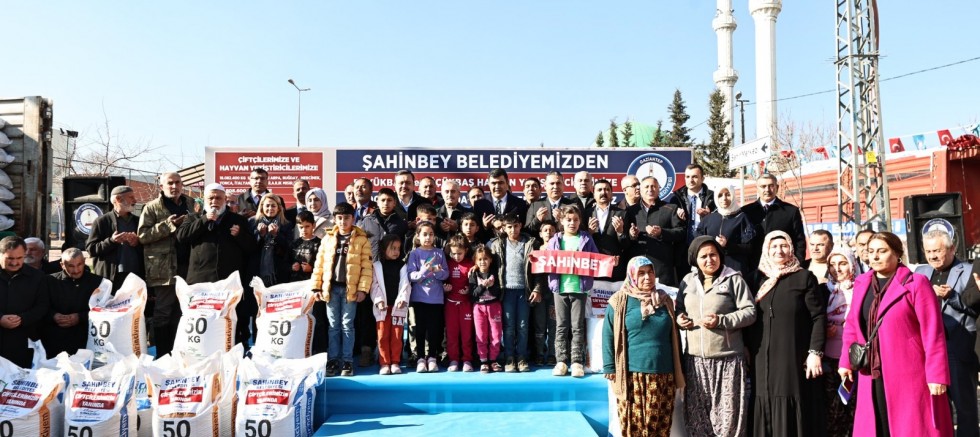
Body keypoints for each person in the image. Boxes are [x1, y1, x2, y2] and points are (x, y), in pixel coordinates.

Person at [839, 232, 953, 437]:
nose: (875, 256)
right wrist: (846, 362)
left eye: (882, 251)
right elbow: (852, 326)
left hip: (910, 373)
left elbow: (933, 332)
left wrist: (937, 375)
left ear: (897, 254)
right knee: (877, 427)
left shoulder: (916, 283)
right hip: (870, 372)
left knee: (909, 428)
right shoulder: (862, 283)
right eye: (871, 251)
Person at [748, 230, 827, 437]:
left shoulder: (804, 277)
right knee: (763, 396)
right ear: (766, 249)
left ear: (791, 248)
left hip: (792, 354)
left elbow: (818, 317)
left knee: (789, 395)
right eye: (774, 246)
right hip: (760, 356)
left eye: (784, 246)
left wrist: (815, 352)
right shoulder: (756, 278)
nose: (779, 250)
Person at [675, 236, 756, 437]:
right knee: (698, 420)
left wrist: (721, 320)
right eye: (703, 256)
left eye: (713, 254)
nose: (709, 260)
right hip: (695, 361)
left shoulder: (733, 279)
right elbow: (679, 309)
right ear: (695, 259)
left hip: (727, 359)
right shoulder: (687, 281)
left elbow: (750, 312)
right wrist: (680, 319)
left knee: (728, 422)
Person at [603, 256, 685, 437]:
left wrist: (680, 367)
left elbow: (674, 336)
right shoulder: (619, 301)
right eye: (641, 273)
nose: (647, 277)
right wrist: (609, 366)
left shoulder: (664, 300)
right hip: (632, 375)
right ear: (632, 275)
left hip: (664, 373)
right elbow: (608, 333)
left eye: (650, 272)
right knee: (634, 426)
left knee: (660, 426)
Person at [914, 230, 977, 437]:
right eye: (928, 251)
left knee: (965, 406)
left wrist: (952, 297)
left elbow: (975, 309)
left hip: (957, 347)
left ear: (952, 249)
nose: (932, 256)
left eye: (937, 251)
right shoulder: (920, 272)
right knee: (936, 407)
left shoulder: (968, 270)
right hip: (928, 350)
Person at [176, 183, 255, 345]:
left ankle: (235, 350)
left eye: (218, 198)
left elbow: (251, 248)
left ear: (225, 200)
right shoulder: (193, 218)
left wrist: (240, 235)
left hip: (228, 282)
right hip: (200, 281)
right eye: (210, 198)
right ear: (204, 199)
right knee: (203, 321)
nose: (214, 201)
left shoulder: (238, 220)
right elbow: (181, 237)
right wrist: (205, 219)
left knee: (231, 320)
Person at [311, 203, 373, 377]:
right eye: (339, 218)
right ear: (334, 219)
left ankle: (347, 361)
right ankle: (332, 360)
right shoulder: (327, 239)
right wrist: (316, 286)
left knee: (347, 326)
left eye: (346, 218)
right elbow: (319, 265)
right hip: (331, 289)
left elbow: (366, 267)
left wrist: (363, 289)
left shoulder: (362, 239)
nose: (343, 221)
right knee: (333, 326)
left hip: (349, 290)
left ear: (353, 219)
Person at [137, 171, 193, 358]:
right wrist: (168, 225)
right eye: (170, 183)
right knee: (163, 313)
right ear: (161, 186)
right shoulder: (152, 207)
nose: (174, 186)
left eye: (177, 182)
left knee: (182, 312)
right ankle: (162, 355)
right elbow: (142, 236)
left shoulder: (191, 203)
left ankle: (178, 354)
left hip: (187, 267)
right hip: (163, 268)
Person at [548, 205, 599, 377]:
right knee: (561, 326)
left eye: (576, 220)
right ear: (561, 221)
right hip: (560, 289)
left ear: (580, 221)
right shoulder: (555, 240)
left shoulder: (586, 239)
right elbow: (546, 259)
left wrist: (610, 262)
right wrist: (536, 259)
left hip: (579, 289)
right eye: (568, 220)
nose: (572, 223)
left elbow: (596, 259)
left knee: (577, 326)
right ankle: (561, 362)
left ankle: (577, 362)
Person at [489, 214, 535, 373]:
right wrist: (475, 267)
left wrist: (536, 288)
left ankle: (521, 357)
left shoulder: (529, 243)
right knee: (508, 326)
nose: (513, 229)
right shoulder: (497, 244)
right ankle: (509, 357)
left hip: (524, 290)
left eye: (515, 226)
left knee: (522, 326)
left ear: (520, 225)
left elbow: (537, 270)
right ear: (503, 228)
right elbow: (486, 261)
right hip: (506, 291)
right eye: (509, 227)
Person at [41, 248, 102, 358]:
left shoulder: (97, 282)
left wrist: (80, 317)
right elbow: (40, 306)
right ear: (62, 265)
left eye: (79, 265)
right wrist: (53, 315)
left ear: (84, 262)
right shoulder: (49, 281)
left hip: (85, 339)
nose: (76, 270)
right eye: (71, 266)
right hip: (54, 340)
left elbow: (103, 310)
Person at [0, 236, 50, 368]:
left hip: (23, 341)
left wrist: (22, 319)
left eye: (19, 258)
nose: (14, 263)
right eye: (10, 258)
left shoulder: (37, 277)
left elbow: (42, 306)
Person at [823, 247, 858, 437]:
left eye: (843, 263)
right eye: (832, 264)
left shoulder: (862, 289)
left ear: (852, 265)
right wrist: (824, 328)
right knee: (833, 408)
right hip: (830, 357)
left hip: (855, 358)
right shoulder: (823, 291)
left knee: (854, 406)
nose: (837, 269)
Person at [407, 221, 449, 373]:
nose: (428, 237)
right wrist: (425, 270)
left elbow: (445, 274)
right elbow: (411, 275)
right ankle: (420, 358)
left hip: (436, 299)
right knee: (419, 329)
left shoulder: (439, 253)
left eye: (431, 234)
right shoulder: (414, 254)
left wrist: (437, 271)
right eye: (424, 234)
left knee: (434, 329)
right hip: (419, 298)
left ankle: (432, 357)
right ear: (418, 236)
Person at [627, 176, 685, 287]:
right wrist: (632, 234)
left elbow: (681, 233)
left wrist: (661, 233)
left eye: (653, 186)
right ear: (640, 190)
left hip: (662, 269)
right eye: (646, 187)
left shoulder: (670, 208)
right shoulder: (631, 211)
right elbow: (623, 238)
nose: (650, 189)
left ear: (659, 189)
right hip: (637, 269)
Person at [86, 185, 144, 290]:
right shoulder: (102, 221)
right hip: (112, 277)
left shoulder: (138, 221)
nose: (135, 200)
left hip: (135, 275)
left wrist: (137, 242)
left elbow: (147, 247)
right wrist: (112, 241)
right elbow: (91, 249)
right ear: (118, 199)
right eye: (131, 197)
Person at [741, 174, 807, 265]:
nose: (767, 190)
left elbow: (799, 241)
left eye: (771, 186)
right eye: (763, 186)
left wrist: (798, 264)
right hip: (753, 267)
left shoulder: (791, 211)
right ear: (757, 188)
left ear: (777, 187)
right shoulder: (746, 212)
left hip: (782, 266)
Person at [370, 233, 411, 375]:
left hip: (398, 307)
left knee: (397, 335)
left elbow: (406, 285)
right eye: (393, 248)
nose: (396, 251)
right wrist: (379, 301)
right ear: (384, 248)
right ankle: (384, 363)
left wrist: (402, 299)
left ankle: (395, 362)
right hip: (382, 308)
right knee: (382, 335)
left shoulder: (402, 266)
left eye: (398, 248)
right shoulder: (377, 266)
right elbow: (374, 285)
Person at [669, 164, 716, 281]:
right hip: (683, 249)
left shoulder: (713, 198)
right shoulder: (675, 198)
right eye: (687, 177)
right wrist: (676, 215)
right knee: (685, 283)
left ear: (702, 178)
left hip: (704, 246)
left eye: (694, 177)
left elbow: (720, 221)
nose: (690, 180)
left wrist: (709, 217)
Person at [696, 185, 755, 278]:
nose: (724, 198)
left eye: (728, 194)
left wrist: (728, 245)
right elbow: (698, 242)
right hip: (711, 267)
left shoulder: (742, 218)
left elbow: (749, 247)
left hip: (734, 269)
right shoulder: (709, 218)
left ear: (733, 195)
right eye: (720, 195)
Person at [290, 211, 326, 355]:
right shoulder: (294, 243)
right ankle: (299, 348)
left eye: (307, 226)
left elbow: (325, 265)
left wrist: (312, 269)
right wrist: (292, 267)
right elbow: (285, 262)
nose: (304, 230)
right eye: (301, 227)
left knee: (318, 318)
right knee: (299, 318)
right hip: (297, 288)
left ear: (313, 226)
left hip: (314, 287)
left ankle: (320, 349)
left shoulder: (320, 243)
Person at [469, 244, 504, 373]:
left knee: (496, 334)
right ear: (475, 261)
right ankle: (483, 360)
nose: (483, 262)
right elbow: (473, 294)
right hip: (479, 307)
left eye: (485, 259)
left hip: (494, 306)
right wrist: (483, 286)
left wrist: (491, 286)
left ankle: (493, 360)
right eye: (479, 259)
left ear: (490, 260)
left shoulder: (495, 273)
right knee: (481, 335)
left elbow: (498, 292)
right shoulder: (473, 274)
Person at [588, 179, 631, 281]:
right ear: (594, 194)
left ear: (612, 193)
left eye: (607, 189)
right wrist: (589, 233)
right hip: (592, 268)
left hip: (615, 269)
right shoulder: (586, 213)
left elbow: (627, 245)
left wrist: (620, 232)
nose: (603, 192)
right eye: (599, 190)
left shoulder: (622, 213)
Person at [443, 236, 475, 372]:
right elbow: (442, 280)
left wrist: (469, 289)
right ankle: (453, 360)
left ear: (466, 251)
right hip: (450, 305)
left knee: (467, 334)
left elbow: (475, 284)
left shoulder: (471, 264)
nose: (456, 256)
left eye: (459, 253)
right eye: (453, 253)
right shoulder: (447, 264)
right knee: (452, 334)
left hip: (466, 305)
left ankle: (467, 359)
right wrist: (445, 288)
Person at [249, 193, 293, 286]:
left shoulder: (286, 224)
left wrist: (276, 235)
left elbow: (289, 247)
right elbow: (248, 246)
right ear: (262, 207)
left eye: (273, 206)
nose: (270, 208)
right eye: (267, 205)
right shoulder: (252, 222)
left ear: (279, 208)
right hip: (256, 269)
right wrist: (260, 235)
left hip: (278, 270)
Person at [531, 220, 558, 367]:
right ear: (540, 234)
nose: (549, 232)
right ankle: (539, 353)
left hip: (555, 293)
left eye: (552, 230)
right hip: (540, 292)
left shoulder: (561, 250)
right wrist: (537, 289)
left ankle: (553, 354)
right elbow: (534, 274)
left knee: (554, 324)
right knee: (540, 325)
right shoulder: (535, 249)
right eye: (545, 230)